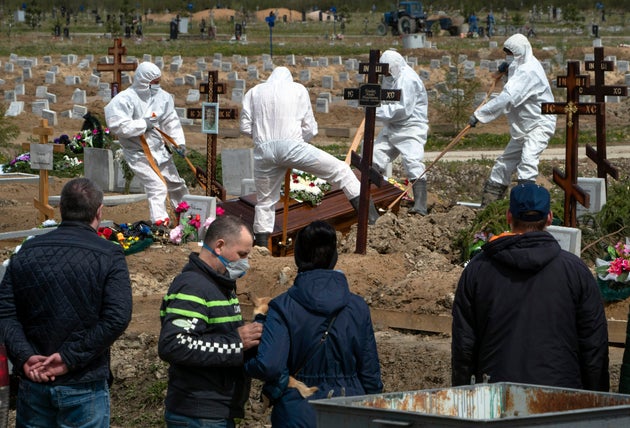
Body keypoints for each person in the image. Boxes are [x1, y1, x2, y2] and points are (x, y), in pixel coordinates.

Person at [451, 182, 610, 391]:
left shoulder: (478, 270)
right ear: (550, 218)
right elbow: (594, 344)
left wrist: (462, 394)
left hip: (496, 397)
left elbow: (464, 345)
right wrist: (598, 400)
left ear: (509, 217)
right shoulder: (575, 271)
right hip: (562, 399)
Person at [0, 177, 132, 427]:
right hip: (83, 383)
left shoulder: (27, 251)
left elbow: (6, 312)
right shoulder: (109, 254)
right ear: (99, 211)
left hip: (35, 377)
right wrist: (69, 358)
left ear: (60, 209)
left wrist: (26, 356)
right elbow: (117, 317)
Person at [244, 220, 383, 427]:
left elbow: (270, 365)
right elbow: (370, 373)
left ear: (297, 258)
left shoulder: (283, 306)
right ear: (334, 258)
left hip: (298, 409)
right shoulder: (358, 307)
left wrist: (246, 360)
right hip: (350, 408)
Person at [240, 66, 378, 248]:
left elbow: (244, 127)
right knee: (341, 171)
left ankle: (262, 248)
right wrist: (294, 144)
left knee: (265, 201)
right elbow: (310, 128)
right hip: (292, 146)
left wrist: (264, 139)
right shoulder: (298, 90)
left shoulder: (254, 92)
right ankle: (373, 222)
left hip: (264, 152)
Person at [158, 215, 263, 427]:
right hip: (198, 413)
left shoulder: (220, 285)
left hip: (215, 411)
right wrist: (236, 343)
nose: (245, 263)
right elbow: (174, 344)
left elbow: (218, 334)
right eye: (242, 255)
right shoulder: (194, 287)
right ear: (220, 246)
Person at [468, 33, 556, 207]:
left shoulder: (529, 71)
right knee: (503, 163)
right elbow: (513, 66)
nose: (509, 56)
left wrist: (479, 115)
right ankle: (490, 206)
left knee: (528, 161)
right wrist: (506, 67)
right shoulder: (519, 62)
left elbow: (508, 98)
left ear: (522, 52)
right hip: (523, 126)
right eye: (507, 53)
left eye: (511, 53)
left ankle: (526, 208)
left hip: (539, 123)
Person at [105, 61, 189, 227]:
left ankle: (186, 219)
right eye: (154, 83)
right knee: (157, 187)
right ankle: (160, 223)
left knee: (176, 185)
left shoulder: (162, 97)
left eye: (158, 82)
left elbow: (170, 120)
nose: (157, 86)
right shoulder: (124, 99)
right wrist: (142, 124)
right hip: (139, 153)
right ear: (143, 82)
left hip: (160, 150)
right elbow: (117, 125)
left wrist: (179, 142)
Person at [374, 49, 430, 215]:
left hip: (410, 126)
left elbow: (402, 109)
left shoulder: (408, 79)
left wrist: (374, 111)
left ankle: (420, 204)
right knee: (374, 157)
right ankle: (373, 198)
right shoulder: (389, 77)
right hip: (392, 126)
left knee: (413, 161)